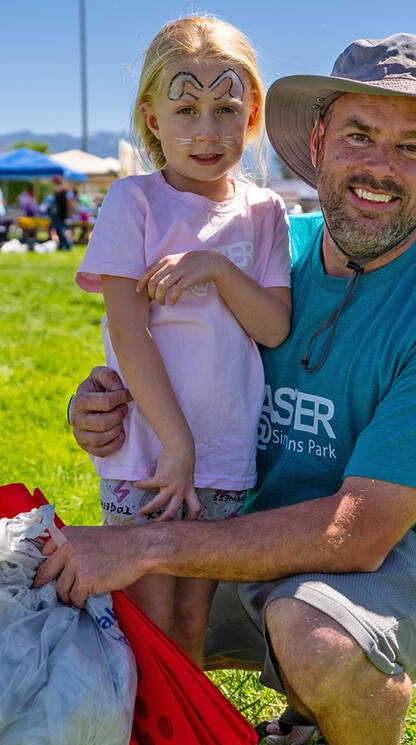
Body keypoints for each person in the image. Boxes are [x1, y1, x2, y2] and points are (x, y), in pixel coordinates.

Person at [49, 33, 416, 745]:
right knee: (111, 624)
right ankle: (261, 720)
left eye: (412, 147)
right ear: (320, 141)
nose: (378, 167)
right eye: (360, 135)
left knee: (317, 635)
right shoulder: (265, 243)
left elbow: (357, 534)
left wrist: (146, 544)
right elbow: (165, 347)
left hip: (392, 564)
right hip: (243, 519)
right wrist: (101, 405)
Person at [73, 16, 293, 665]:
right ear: (150, 116)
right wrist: (175, 443)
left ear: (251, 116)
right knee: (146, 612)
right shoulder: (133, 202)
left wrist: (218, 269)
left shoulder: (264, 212)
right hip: (151, 450)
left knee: (194, 614)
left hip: (225, 449)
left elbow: (273, 326)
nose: (207, 130)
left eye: (226, 109)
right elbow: (127, 328)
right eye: (186, 107)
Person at [49, 175, 72, 251]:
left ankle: (68, 246)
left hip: (59, 214)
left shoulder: (60, 189)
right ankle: (63, 246)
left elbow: (63, 204)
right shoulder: (63, 189)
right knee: (61, 230)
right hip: (61, 214)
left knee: (62, 230)